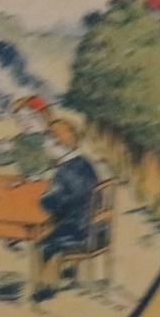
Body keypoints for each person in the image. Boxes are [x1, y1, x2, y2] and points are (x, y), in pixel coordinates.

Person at [35, 119, 101, 296]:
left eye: (48, 141)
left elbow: (51, 204)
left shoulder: (63, 171)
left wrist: (42, 197)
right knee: (55, 225)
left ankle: (46, 286)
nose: (46, 146)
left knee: (43, 243)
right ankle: (68, 269)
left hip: (80, 230)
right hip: (97, 227)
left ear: (58, 144)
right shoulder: (85, 162)